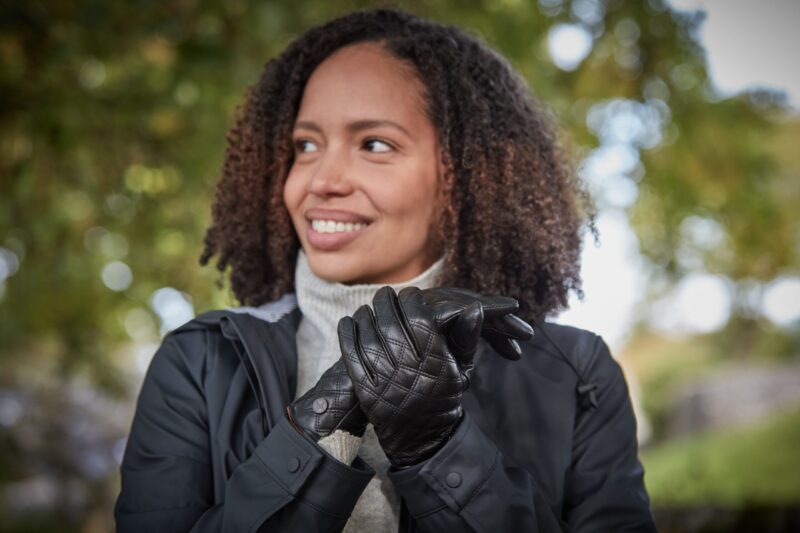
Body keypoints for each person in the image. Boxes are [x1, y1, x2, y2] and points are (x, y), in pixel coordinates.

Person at [114, 8, 657, 532]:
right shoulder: (200, 364)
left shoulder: (576, 374)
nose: (322, 179)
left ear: (464, 176)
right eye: (306, 145)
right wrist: (318, 427)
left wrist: (438, 448)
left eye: (374, 144)